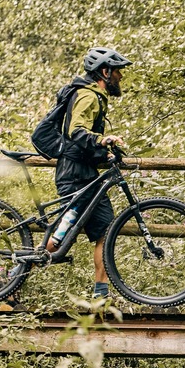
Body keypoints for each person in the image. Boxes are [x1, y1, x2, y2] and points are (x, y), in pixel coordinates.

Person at [53, 46, 131, 299]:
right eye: (118, 72)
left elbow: (84, 139)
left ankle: (101, 295)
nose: (121, 77)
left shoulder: (96, 96)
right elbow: (76, 131)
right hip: (74, 173)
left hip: (87, 173)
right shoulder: (88, 96)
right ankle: (13, 280)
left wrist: (103, 152)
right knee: (63, 235)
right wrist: (101, 140)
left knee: (105, 231)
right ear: (105, 71)